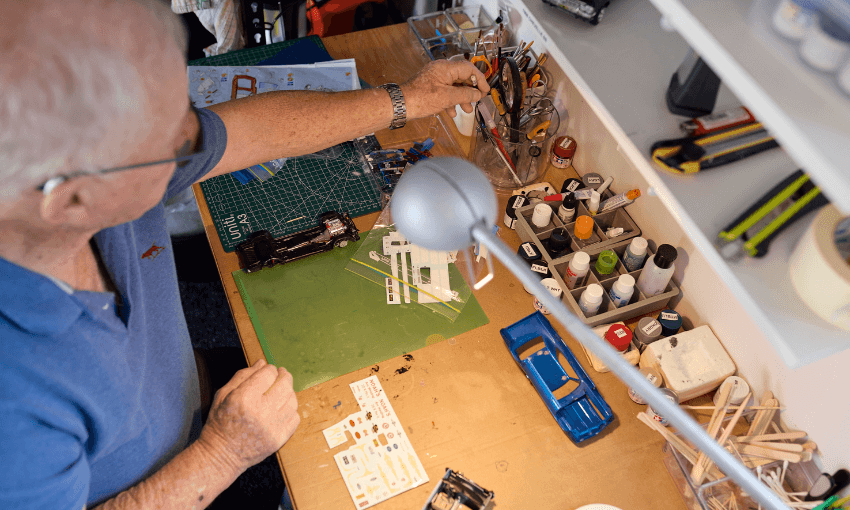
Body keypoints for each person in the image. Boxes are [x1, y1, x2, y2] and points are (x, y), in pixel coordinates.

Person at [0, 1, 489, 508]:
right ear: (74, 198)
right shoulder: (13, 409)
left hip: (181, 401)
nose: (194, 138)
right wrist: (222, 453)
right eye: (173, 139)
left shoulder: (83, 162)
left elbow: (251, 131)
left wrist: (407, 98)